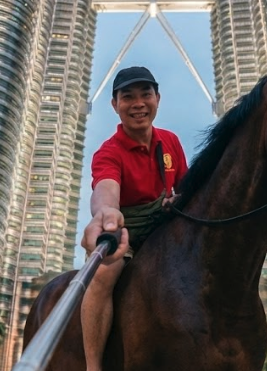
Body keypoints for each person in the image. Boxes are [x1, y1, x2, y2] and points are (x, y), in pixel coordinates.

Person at [80, 66, 188, 371]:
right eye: (128, 97)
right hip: (123, 233)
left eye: (145, 94)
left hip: (164, 233)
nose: (138, 103)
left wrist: (179, 200)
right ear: (115, 105)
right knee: (103, 274)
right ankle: (93, 366)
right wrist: (106, 213)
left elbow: (186, 188)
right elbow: (106, 189)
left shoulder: (171, 142)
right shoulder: (108, 152)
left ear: (158, 99)